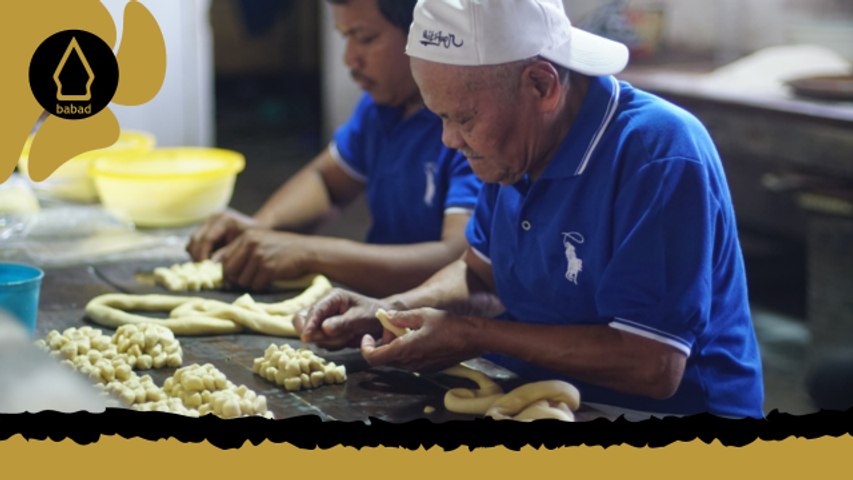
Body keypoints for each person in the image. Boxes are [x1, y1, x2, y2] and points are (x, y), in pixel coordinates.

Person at [295, 0, 765, 418]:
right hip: (539, 391)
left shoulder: (656, 154)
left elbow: (652, 365)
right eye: (440, 115)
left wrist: (472, 335)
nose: (450, 140)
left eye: (464, 118)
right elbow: (480, 276)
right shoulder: (515, 143)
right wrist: (390, 310)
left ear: (542, 85)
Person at [187, 0, 482, 298]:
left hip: (444, 326)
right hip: (382, 308)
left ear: (423, 35)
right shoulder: (382, 108)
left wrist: (310, 253)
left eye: (365, 38)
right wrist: (259, 231)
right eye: (345, 37)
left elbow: (461, 261)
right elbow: (326, 181)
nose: (349, 59)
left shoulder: (465, 128)